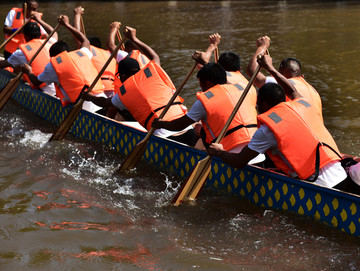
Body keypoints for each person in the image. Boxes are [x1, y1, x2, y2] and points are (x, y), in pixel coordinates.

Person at [208, 54, 360, 195]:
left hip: (319, 186)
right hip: (341, 175)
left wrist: (219, 152)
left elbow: (239, 162)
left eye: (257, 105)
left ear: (264, 105)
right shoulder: (303, 104)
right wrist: (271, 68)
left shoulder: (268, 129)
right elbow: (292, 90)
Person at [82, 26, 197, 147]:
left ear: (122, 76)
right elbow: (155, 56)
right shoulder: (154, 72)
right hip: (189, 131)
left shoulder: (125, 91)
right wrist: (134, 38)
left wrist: (89, 97)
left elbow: (104, 102)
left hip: (166, 138)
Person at [152, 59, 265, 165]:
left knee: (200, 130)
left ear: (209, 83)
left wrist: (160, 123)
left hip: (232, 159)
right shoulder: (245, 89)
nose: (201, 88)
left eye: (201, 84)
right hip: (259, 154)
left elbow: (178, 125)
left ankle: (206, 155)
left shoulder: (205, 100)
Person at [20, 14, 105, 113]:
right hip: (102, 101)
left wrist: (29, 71)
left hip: (85, 110)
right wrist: (67, 25)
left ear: (53, 57)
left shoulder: (53, 65)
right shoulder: (82, 53)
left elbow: (35, 82)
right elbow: (85, 40)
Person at [247, 36, 323, 118]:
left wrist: (262, 47)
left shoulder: (279, 84)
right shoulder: (313, 90)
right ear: (302, 76)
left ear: (279, 75)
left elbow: (252, 71)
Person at [0, 13, 57, 95]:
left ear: (25, 36)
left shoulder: (21, 52)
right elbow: (53, 32)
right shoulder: (50, 42)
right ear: (40, 35)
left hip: (42, 90)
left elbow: (2, 65)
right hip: (57, 86)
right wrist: (39, 20)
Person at [72, 6, 117, 98]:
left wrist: (77, 15)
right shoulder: (109, 54)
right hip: (113, 91)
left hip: (98, 90)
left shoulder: (89, 51)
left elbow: (77, 34)